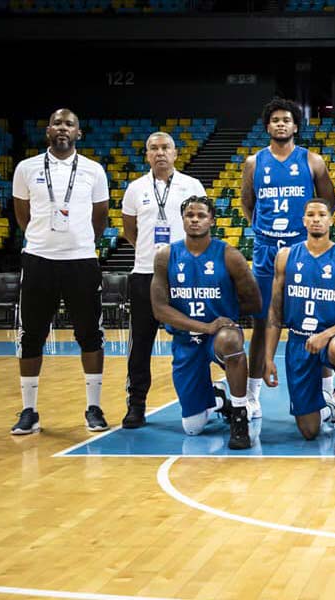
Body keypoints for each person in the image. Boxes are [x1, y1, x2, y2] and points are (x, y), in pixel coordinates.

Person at [10, 108, 110, 436]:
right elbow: (22, 215)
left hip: (81, 260)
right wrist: (45, 240)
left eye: (69, 124)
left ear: (79, 133)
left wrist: (77, 243)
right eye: (56, 123)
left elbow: (100, 218)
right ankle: (29, 411)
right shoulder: (26, 168)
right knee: (31, 336)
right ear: (48, 130)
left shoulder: (94, 171)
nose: (62, 128)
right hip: (38, 259)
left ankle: (93, 407)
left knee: (90, 335)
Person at [241, 97, 335, 422]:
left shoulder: (313, 161)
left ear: (296, 126)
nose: (281, 124)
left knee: (316, 321)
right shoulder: (254, 163)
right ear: (267, 126)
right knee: (260, 322)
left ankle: (327, 392)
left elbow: (329, 202)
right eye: (275, 120)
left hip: (302, 250)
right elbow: (247, 205)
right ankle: (251, 396)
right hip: (267, 250)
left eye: (287, 120)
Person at [262, 198, 335, 453]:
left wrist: (327, 334)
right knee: (309, 431)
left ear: (331, 220)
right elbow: (275, 311)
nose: (316, 219)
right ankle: (325, 405)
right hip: (299, 341)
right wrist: (268, 357)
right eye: (310, 214)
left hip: (332, 337)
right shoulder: (285, 257)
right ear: (303, 221)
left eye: (322, 214)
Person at [150, 196, 262, 449]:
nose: (195, 220)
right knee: (193, 427)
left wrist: (223, 316)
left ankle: (239, 415)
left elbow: (254, 302)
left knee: (230, 338)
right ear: (183, 220)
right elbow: (159, 309)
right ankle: (220, 398)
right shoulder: (165, 256)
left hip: (217, 338)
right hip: (186, 341)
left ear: (212, 220)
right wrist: (205, 326)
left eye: (201, 215)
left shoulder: (230, 256)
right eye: (190, 215)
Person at [120, 131, 208, 429]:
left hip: (183, 276)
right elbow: (130, 230)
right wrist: (152, 256)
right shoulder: (135, 188)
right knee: (140, 343)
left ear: (175, 153)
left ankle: (199, 400)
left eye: (165, 147)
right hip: (145, 274)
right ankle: (136, 404)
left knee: (193, 339)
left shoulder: (192, 185)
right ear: (146, 155)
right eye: (154, 148)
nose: (160, 153)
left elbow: (202, 226)